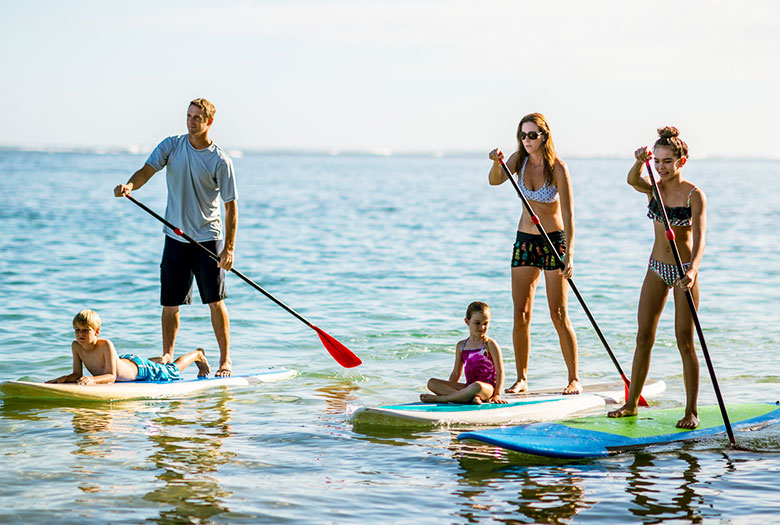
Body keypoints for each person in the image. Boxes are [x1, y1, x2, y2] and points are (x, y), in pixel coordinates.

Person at [114, 98, 238, 377]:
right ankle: (168, 354)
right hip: (175, 237)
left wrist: (228, 249)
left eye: (197, 117)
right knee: (170, 304)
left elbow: (231, 206)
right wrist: (130, 186)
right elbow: (147, 170)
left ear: (209, 122)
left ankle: (225, 360)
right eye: (189, 116)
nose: (191, 121)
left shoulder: (220, 160)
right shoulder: (172, 145)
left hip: (208, 239)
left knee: (215, 302)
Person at [608, 126, 706, 429]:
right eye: (658, 161)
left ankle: (691, 411)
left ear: (681, 161)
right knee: (643, 338)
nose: (662, 167)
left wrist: (692, 271)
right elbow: (632, 180)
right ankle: (630, 404)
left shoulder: (693, 194)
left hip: (683, 271)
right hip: (656, 267)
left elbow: (701, 239)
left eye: (667, 161)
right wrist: (640, 161)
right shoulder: (654, 187)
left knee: (685, 342)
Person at [488, 113, 580, 395]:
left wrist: (570, 254)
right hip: (525, 241)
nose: (526, 140)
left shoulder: (558, 168)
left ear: (544, 136)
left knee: (559, 312)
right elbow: (494, 181)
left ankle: (574, 378)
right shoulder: (518, 159)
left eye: (532, 135)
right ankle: (522, 378)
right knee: (521, 313)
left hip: (554, 242)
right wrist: (496, 162)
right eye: (523, 135)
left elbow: (568, 213)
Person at [47, 310, 210, 385]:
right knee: (161, 365)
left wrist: (93, 380)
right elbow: (77, 374)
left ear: (96, 332)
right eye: (77, 330)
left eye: (85, 330)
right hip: (124, 361)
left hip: (139, 368)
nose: (80, 334)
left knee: (171, 371)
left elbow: (111, 376)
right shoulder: (76, 346)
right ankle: (161, 359)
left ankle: (197, 354)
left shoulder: (105, 344)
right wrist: (63, 379)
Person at [420, 301, 506, 404]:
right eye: (477, 323)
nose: (482, 327)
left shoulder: (490, 345)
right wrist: (446, 388)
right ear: (467, 321)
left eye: (485, 323)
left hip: (486, 389)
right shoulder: (461, 346)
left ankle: (443, 399)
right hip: (468, 387)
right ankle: (467, 398)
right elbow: (456, 373)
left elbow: (500, 372)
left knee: (477, 385)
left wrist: (497, 395)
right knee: (432, 383)